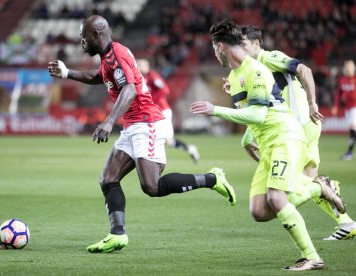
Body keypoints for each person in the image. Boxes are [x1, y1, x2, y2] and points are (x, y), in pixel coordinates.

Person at [48, 15, 236, 254]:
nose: (81, 41)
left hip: (146, 123)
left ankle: (212, 179)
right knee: (108, 179)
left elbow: (129, 89)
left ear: (96, 34)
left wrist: (108, 121)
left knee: (152, 187)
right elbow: (99, 78)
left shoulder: (116, 56)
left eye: (83, 37)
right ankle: (117, 234)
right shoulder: (108, 58)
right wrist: (67, 73)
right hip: (132, 126)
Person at [191, 19, 345, 271]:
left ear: (220, 46)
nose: (213, 54)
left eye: (212, 49)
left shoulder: (256, 69)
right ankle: (319, 188)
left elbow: (258, 116)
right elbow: (250, 109)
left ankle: (312, 257)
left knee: (276, 197)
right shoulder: (235, 75)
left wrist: (215, 110)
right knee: (260, 211)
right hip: (268, 143)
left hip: (284, 136)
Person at [227, 25, 356, 241]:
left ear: (257, 44)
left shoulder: (269, 57)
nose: (240, 50)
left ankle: (325, 189)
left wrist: (312, 103)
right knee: (308, 179)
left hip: (297, 127)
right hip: (296, 127)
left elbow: (304, 70)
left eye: (243, 45)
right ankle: (346, 222)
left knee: (290, 188)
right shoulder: (251, 69)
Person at [136, 58, 200, 163]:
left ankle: (150, 158)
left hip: (162, 112)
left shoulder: (153, 76)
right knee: (166, 141)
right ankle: (189, 149)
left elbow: (165, 89)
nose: (138, 66)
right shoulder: (143, 78)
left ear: (147, 66)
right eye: (138, 64)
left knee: (164, 139)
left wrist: (154, 100)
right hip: (155, 113)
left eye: (140, 64)